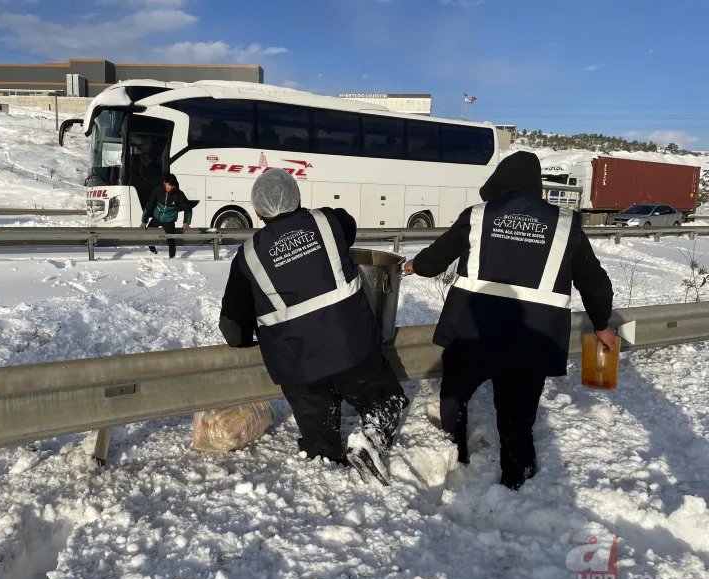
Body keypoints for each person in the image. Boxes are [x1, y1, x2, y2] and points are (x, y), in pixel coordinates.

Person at [404, 151, 616, 490]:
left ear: (499, 182)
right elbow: (594, 284)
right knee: (517, 417)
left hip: (472, 332)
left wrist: (416, 264)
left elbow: (434, 260)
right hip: (530, 338)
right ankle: (516, 478)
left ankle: (455, 451)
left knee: (455, 396)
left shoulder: (477, 215)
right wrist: (602, 325)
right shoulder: (565, 224)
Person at [218, 169, 408, 485]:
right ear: (298, 197)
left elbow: (233, 329)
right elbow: (348, 226)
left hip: (298, 366)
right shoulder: (331, 222)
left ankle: (329, 478)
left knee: (319, 444)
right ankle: (371, 442)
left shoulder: (247, 257)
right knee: (387, 402)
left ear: (257, 211)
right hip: (352, 350)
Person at [140, 174, 192, 259]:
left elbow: (188, 208)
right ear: (164, 183)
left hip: (169, 220)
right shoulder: (158, 190)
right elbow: (149, 204)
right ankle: (153, 250)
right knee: (149, 234)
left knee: (171, 239)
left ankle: (172, 258)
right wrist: (144, 220)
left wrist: (186, 222)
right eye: (168, 185)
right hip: (157, 217)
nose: (169, 187)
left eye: (171, 185)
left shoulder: (179, 194)